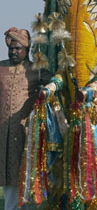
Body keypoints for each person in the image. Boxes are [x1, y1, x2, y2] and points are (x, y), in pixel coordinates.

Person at [0, 27, 51, 210]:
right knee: (7, 176)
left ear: (27, 50)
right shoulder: (1, 68)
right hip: (3, 135)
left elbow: (54, 84)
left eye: (18, 48)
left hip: (25, 134)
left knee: (25, 176)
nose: (13, 52)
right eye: (11, 48)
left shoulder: (36, 71)